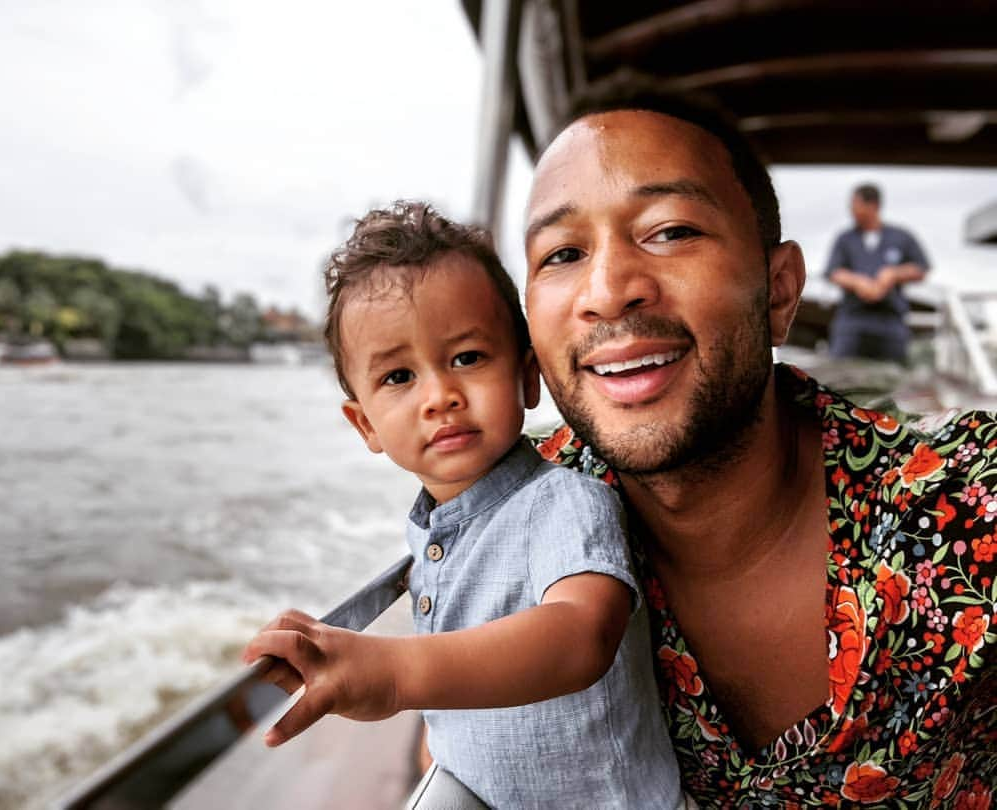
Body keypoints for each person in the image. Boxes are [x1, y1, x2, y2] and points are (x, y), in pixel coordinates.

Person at [523, 84, 995, 808]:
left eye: (670, 230)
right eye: (561, 252)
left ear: (778, 292)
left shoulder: (964, 508)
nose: (608, 290)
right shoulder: (513, 525)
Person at [242, 201, 684, 808]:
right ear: (364, 424)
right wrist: (440, 733)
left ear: (528, 378)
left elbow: (581, 637)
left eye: (468, 359)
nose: (441, 396)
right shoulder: (430, 530)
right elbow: (461, 648)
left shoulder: (562, 504)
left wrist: (395, 674)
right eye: (399, 377)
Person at [825, 183, 930, 363]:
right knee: (840, 372)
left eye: (855, 204)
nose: (851, 210)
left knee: (895, 375)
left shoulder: (902, 236)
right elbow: (833, 272)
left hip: (890, 320)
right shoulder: (845, 238)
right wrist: (858, 282)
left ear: (872, 205)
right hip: (852, 319)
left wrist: (893, 274)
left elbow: (921, 268)